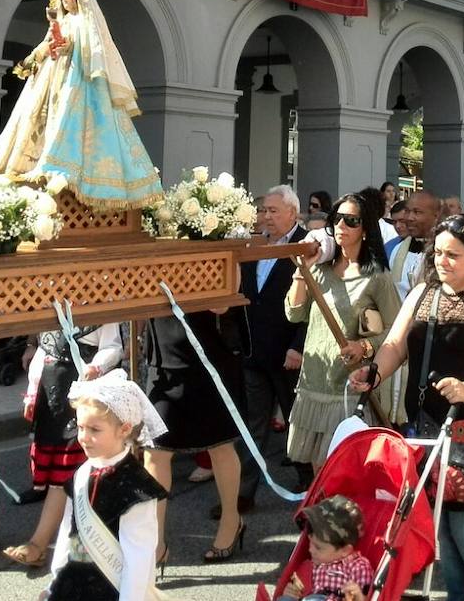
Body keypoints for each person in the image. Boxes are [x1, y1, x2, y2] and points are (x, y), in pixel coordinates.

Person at [351, 213, 464, 601]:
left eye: (453, 255)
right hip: (427, 429)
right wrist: (374, 373)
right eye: (438, 253)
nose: (442, 261)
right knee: (443, 530)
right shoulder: (423, 293)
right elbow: (395, 345)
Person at [0, 0, 163, 209]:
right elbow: (46, 44)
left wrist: (69, 47)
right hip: (53, 79)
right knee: (36, 118)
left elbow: (94, 50)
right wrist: (31, 60)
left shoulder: (87, 22)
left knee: (73, 124)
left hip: (80, 81)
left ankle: (71, 171)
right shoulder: (61, 21)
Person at [286, 194, 400, 469]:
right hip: (314, 380)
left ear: (366, 228)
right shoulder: (320, 269)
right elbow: (294, 313)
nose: (341, 226)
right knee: (319, 471)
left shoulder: (377, 277)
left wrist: (364, 347)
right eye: (337, 219)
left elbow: (397, 331)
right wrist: (303, 270)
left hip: (349, 386)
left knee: (345, 472)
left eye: (351, 221)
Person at [4, 321, 122, 567]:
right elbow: (44, 353)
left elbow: (113, 346)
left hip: (85, 397)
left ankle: (91, 546)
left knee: (87, 477)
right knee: (61, 479)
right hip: (54, 396)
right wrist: (32, 392)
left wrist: (96, 366)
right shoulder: (53, 307)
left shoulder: (102, 304)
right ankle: (41, 544)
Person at [43, 370, 169, 601]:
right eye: (80, 427)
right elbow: (68, 534)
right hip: (72, 585)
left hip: (112, 588)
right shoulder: (81, 474)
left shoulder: (136, 488)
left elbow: (139, 557)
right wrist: (54, 582)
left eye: (94, 429)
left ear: (124, 429)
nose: (83, 437)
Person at [143, 301, 248, 564]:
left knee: (220, 445)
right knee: (155, 452)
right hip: (163, 356)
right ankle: (154, 542)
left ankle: (231, 520)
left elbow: (225, 301)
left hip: (210, 354)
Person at [235, 186, 309, 515]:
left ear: (293, 213)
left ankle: (308, 482)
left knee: (297, 421)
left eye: (273, 211)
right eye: (263, 210)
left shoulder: (308, 245)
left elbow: (316, 305)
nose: (266, 216)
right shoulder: (256, 245)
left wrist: (298, 347)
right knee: (254, 424)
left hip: (288, 354)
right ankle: (243, 492)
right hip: (255, 352)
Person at [281, 495, 373, 601]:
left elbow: (363, 597)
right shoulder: (313, 564)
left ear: (345, 550)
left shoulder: (358, 567)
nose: (310, 550)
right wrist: (290, 592)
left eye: (318, 547)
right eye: (310, 542)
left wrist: (359, 598)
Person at [389, 189, 440, 300]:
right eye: (407, 211)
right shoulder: (398, 250)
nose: (409, 218)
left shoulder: (443, 253)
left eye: (417, 212)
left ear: (435, 217)